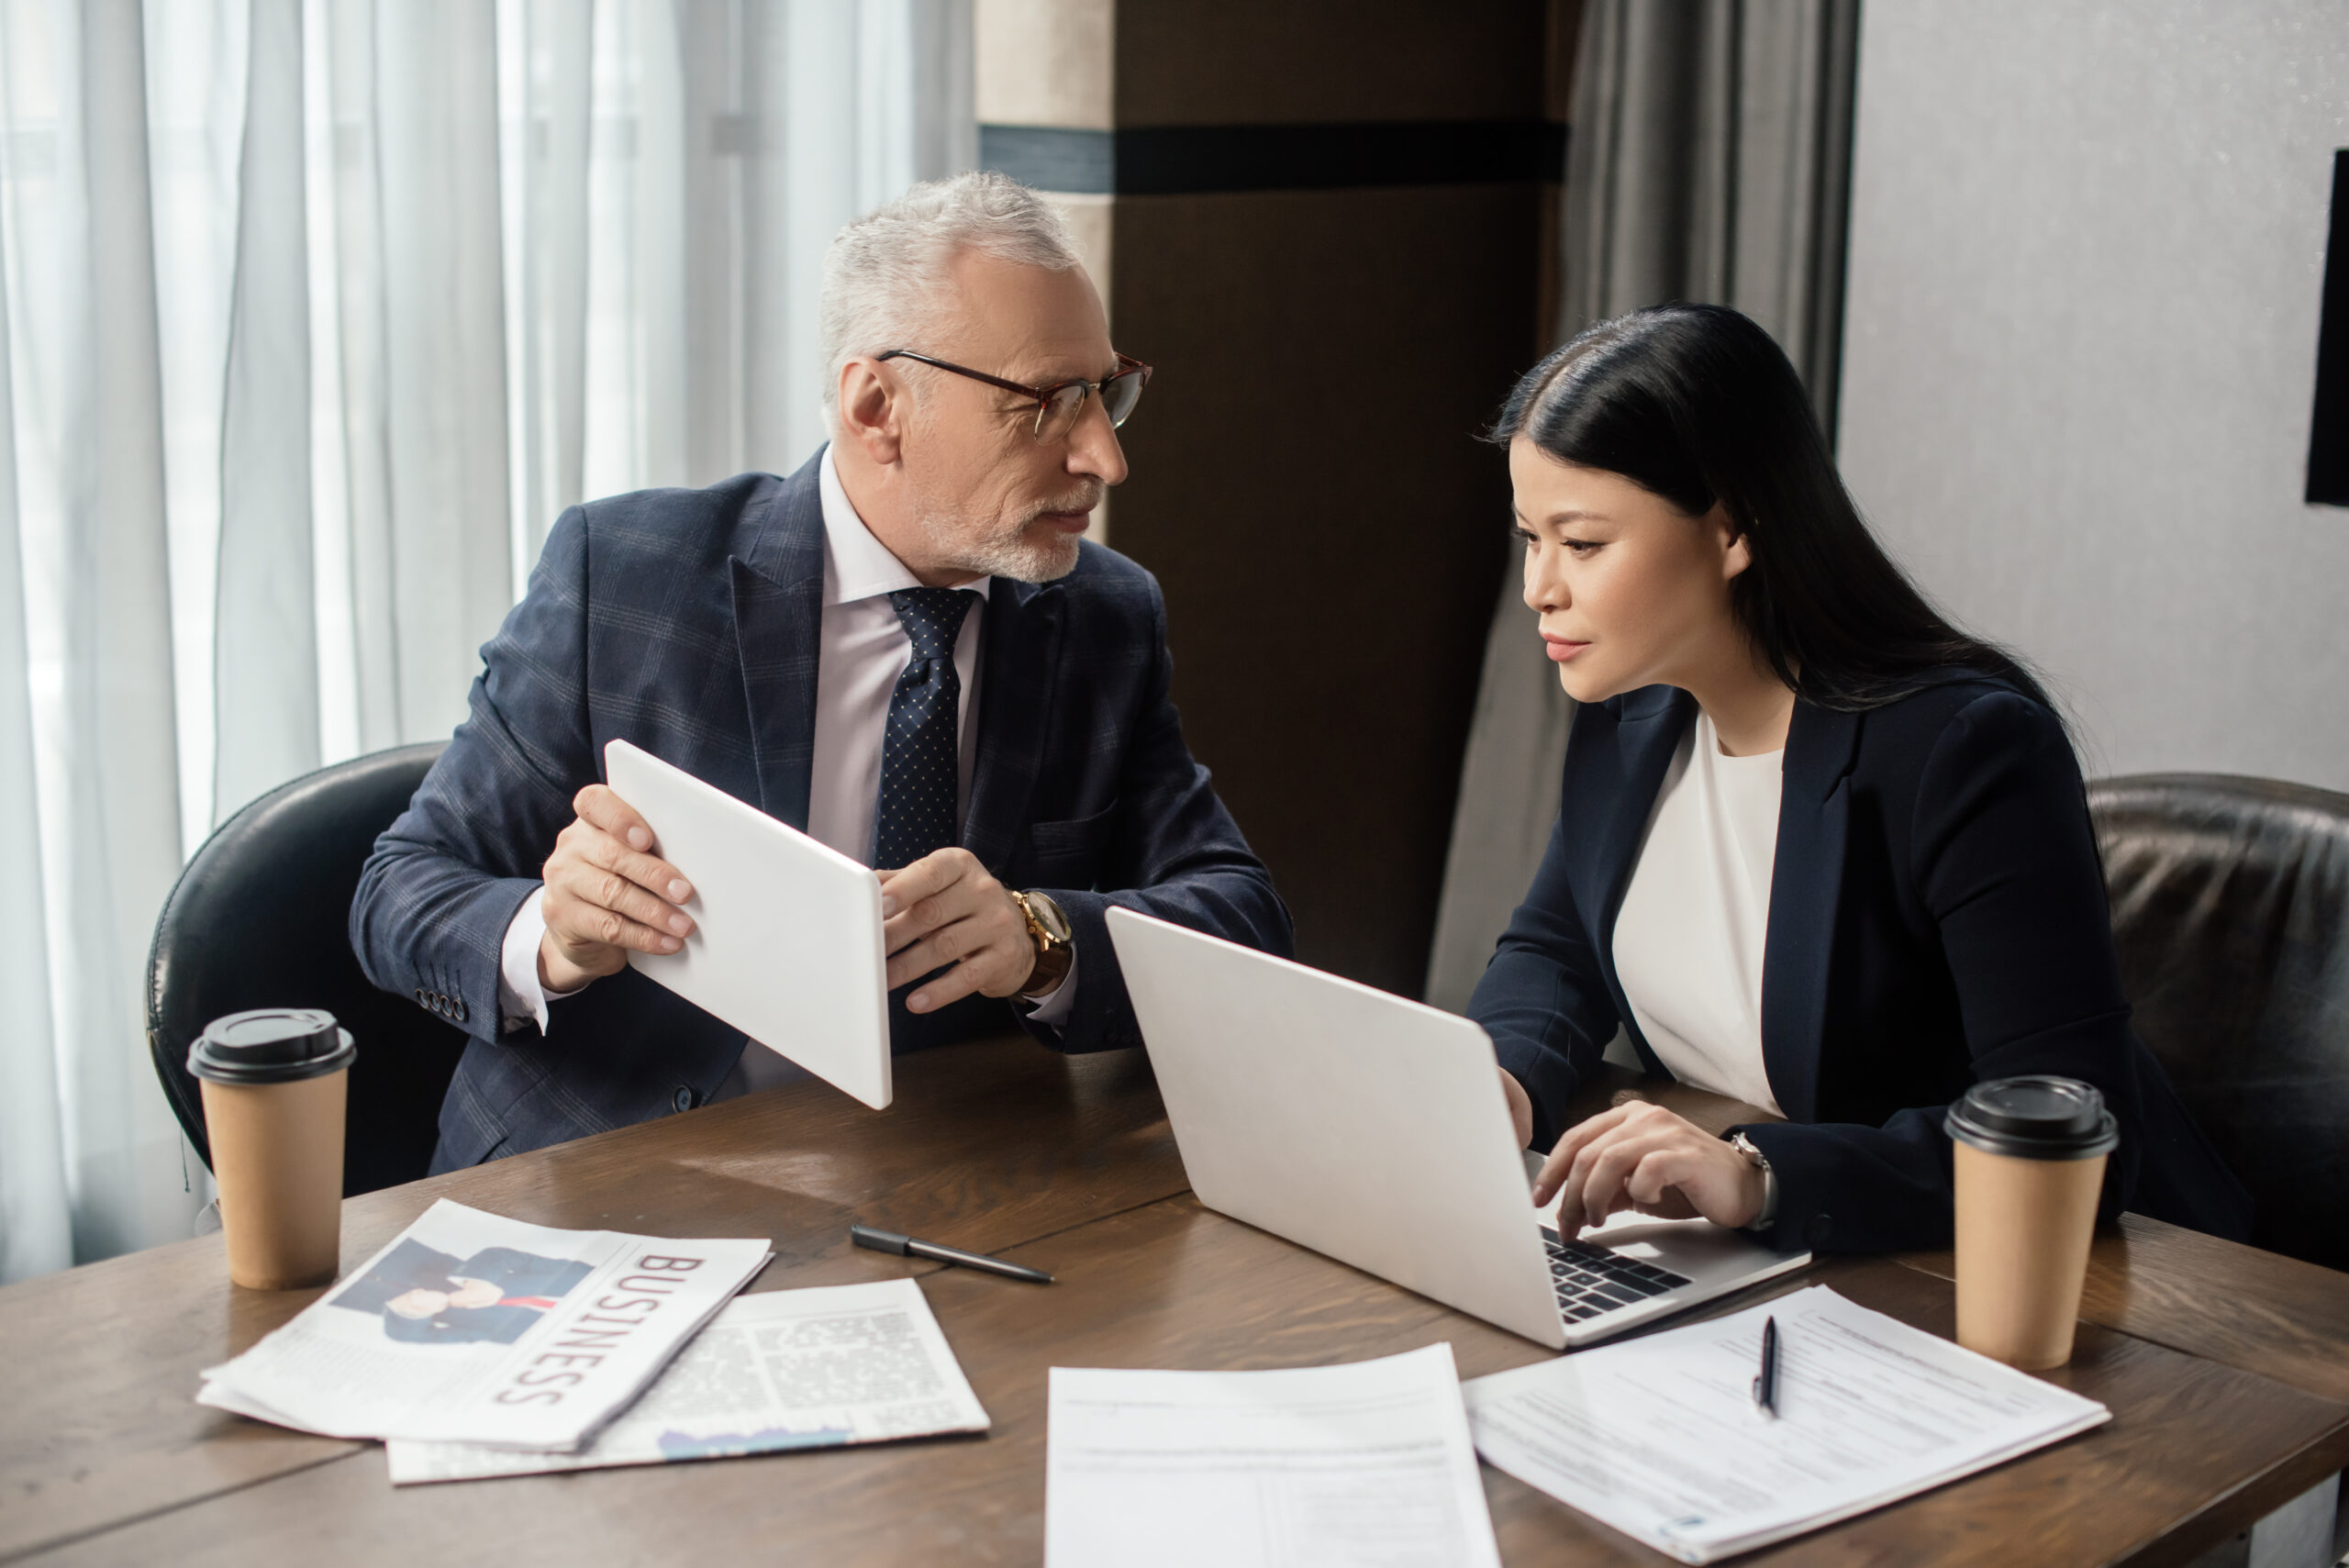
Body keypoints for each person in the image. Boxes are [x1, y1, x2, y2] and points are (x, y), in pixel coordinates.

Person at [351, 172, 1290, 1171]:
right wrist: (553, 934)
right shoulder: (623, 574)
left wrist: (1044, 936)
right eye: (1051, 403)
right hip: (608, 1172)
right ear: (876, 404)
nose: (1105, 456)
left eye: (1107, 393)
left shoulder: (1104, 617)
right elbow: (399, 891)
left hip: (950, 1184)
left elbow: (1243, 918)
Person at [1473, 302, 2251, 1254]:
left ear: (1733, 528)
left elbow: (2077, 1132)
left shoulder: (1964, 749)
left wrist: (1758, 1174)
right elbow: (1557, 951)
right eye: (1530, 537)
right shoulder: (1630, 709)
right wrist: (1501, 1081)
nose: (1539, 588)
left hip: (2047, 1279)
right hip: (1769, 1263)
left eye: (1583, 543)